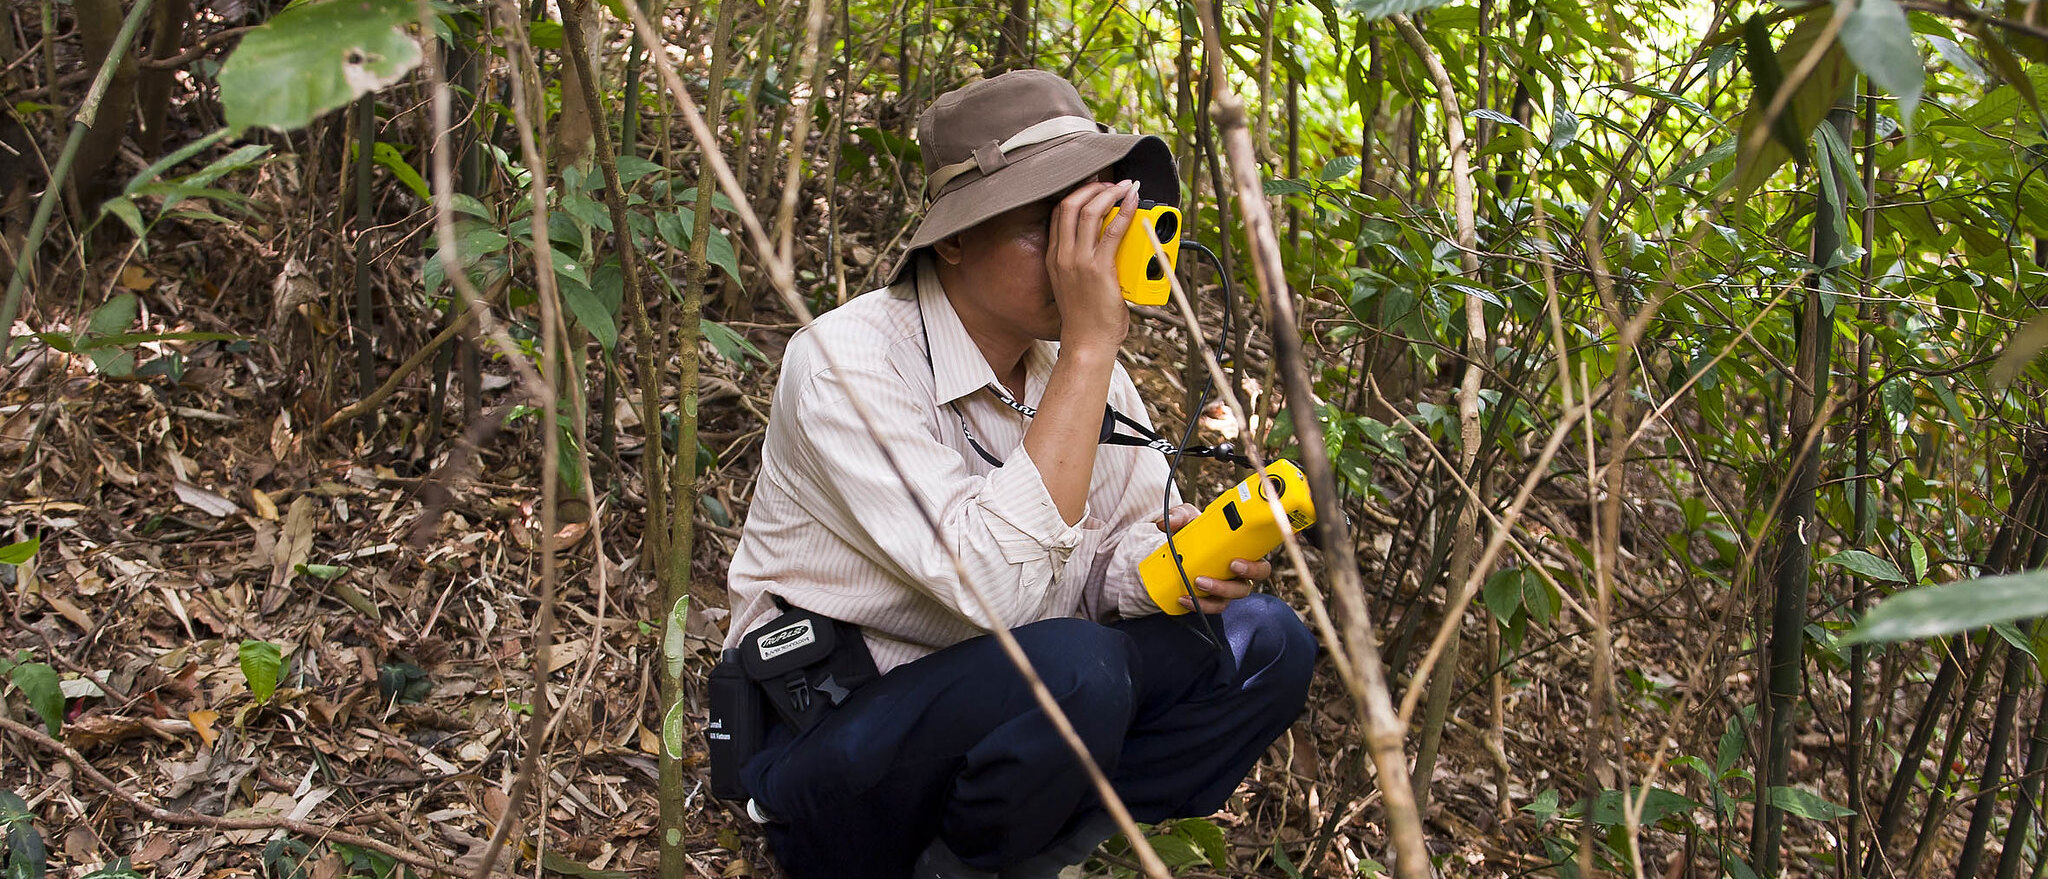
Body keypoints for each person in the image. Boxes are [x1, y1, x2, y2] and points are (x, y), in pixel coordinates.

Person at [716, 69, 1316, 879]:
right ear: (954, 238)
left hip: (1010, 715)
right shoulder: (845, 361)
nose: (1084, 261)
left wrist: (1175, 564)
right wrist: (1094, 346)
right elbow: (997, 589)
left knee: (1265, 645)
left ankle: (1015, 854)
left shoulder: (1074, 366)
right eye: (1052, 227)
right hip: (834, 742)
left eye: (1097, 226)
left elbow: (1100, 569)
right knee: (1079, 668)